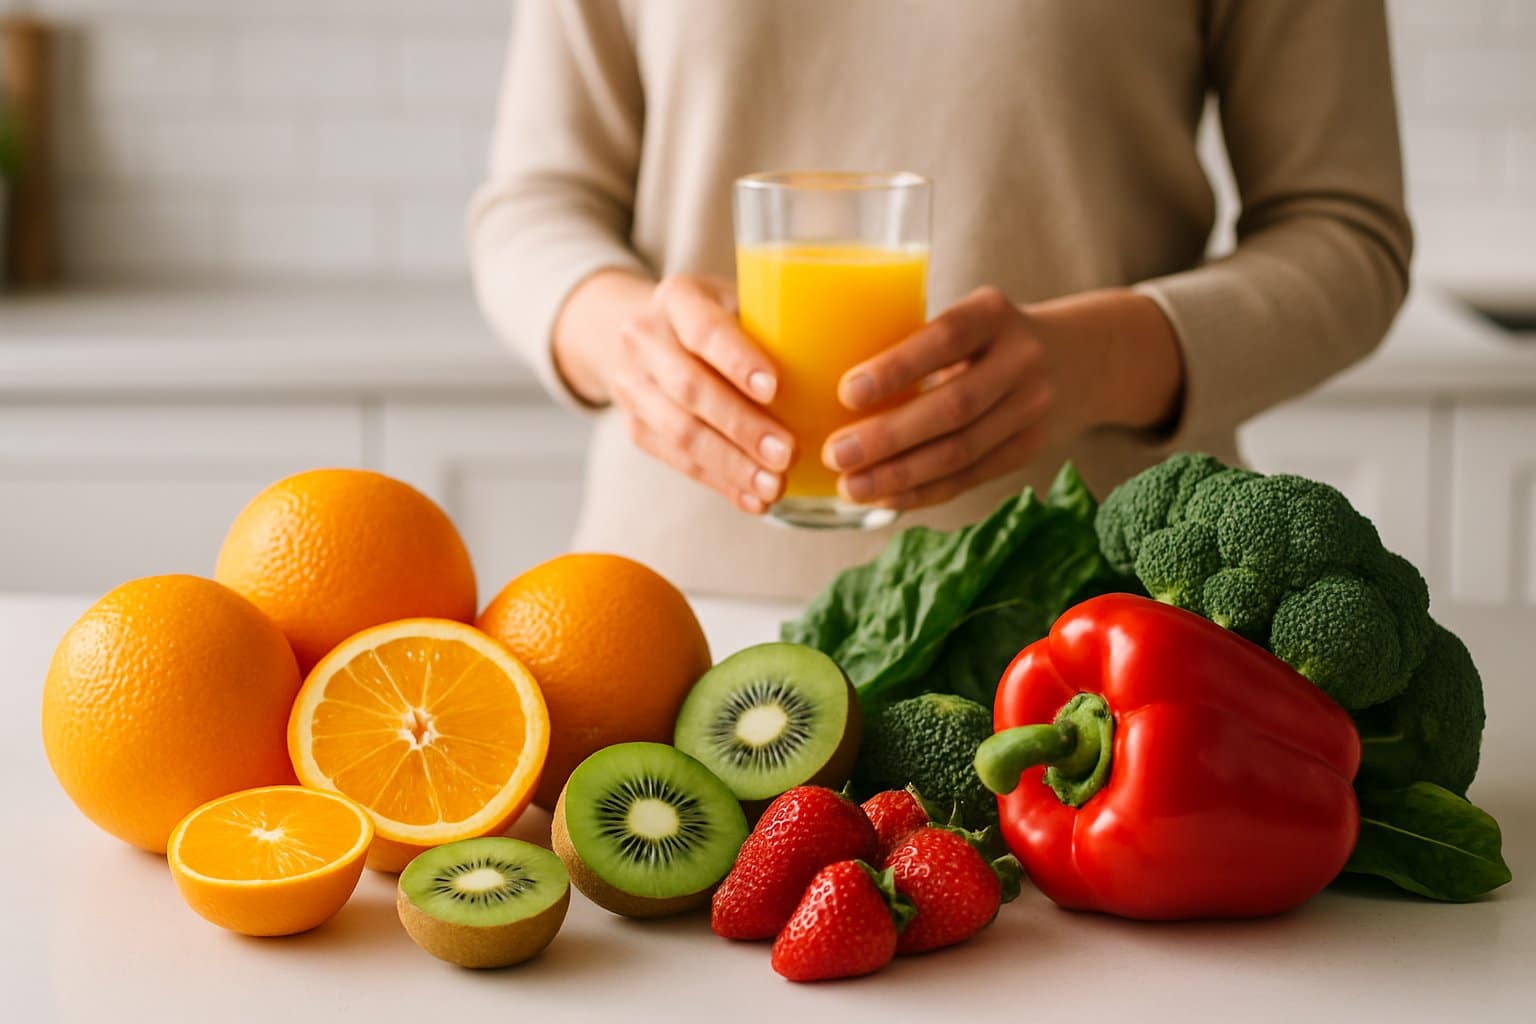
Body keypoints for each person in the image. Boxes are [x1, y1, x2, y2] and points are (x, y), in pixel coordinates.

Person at [469, 1, 1410, 601]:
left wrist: (1104, 361)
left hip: (1097, 613)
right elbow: (534, 205)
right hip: (673, 613)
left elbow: (1347, 231)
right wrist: (620, 334)